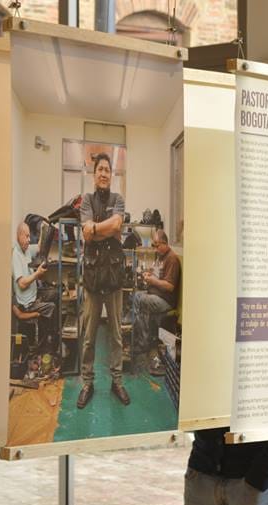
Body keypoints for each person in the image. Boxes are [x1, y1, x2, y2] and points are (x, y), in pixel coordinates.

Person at [77, 153, 129, 409]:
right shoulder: (85, 200)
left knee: (116, 335)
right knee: (88, 336)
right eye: (100, 169)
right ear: (93, 173)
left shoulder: (119, 199)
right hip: (93, 279)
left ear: (112, 174)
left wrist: (96, 229)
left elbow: (117, 224)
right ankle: (88, 383)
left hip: (114, 278)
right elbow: (86, 236)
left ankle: (117, 382)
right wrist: (104, 231)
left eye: (108, 170)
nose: (104, 173)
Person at [132, 229, 180, 374]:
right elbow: (155, 273)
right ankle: (142, 338)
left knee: (141, 300)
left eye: (157, 245)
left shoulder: (172, 259)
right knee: (136, 297)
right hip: (155, 295)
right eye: (153, 245)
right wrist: (148, 274)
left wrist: (153, 280)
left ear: (165, 243)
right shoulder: (160, 256)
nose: (155, 248)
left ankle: (144, 343)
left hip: (165, 300)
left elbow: (170, 286)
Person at [12, 221, 57, 327]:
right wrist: (37, 274)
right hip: (27, 305)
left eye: (29, 236)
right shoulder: (16, 256)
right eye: (26, 236)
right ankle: (48, 340)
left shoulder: (26, 250)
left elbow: (39, 247)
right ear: (19, 236)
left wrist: (42, 230)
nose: (29, 240)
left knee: (56, 293)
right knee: (52, 307)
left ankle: (54, 332)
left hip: (34, 296)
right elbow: (22, 284)